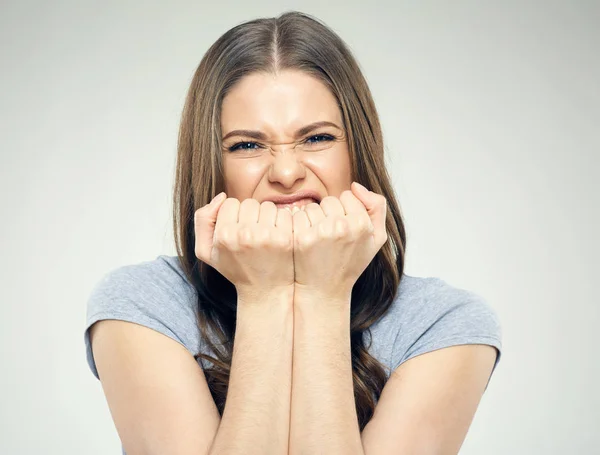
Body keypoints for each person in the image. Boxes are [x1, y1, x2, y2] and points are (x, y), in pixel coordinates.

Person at [84, 10, 502, 455]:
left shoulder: (444, 323)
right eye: (247, 145)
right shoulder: (141, 304)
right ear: (211, 163)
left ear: (358, 150)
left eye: (317, 138)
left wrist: (323, 294)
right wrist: (265, 294)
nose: (286, 172)